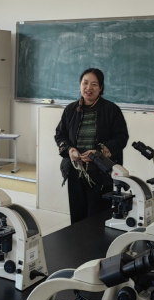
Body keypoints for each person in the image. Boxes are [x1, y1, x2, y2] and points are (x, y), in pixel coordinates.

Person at [54, 68, 129, 224]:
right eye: (85, 83)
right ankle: (78, 240)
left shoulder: (111, 110)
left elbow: (122, 137)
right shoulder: (71, 110)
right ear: (80, 85)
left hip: (101, 174)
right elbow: (60, 134)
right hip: (76, 172)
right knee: (77, 216)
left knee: (98, 217)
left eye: (94, 84)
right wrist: (70, 149)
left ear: (101, 88)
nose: (89, 88)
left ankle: (97, 241)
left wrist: (99, 153)